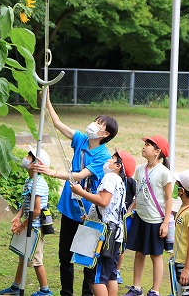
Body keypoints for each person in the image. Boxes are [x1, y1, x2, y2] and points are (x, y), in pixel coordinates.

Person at [38, 93, 118, 296]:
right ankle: (66, 292)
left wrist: (53, 172)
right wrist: (46, 100)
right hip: (69, 207)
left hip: (88, 211)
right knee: (64, 255)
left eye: (99, 124)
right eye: (95, 120)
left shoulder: (103, 156)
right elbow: (57, 123)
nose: (93, 124)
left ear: (106, 134)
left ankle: (86, 293)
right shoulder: (81, 139)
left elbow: (81, 175)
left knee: (86, 256)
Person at [70, 150, 136, 296]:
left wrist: (80, 192)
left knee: (96, 278)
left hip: (105, 236)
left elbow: (104, 201)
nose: (108, 160)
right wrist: (91, 217)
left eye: (112, 158)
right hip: (115, 235)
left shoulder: (110, 177)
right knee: (110, 275)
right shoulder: (120, 182)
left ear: (118, 166)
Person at [0, 146, 53, 296]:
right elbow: (26, 202)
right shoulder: (29, 179)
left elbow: (37, 210)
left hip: (34, 228)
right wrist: (17, 215)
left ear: (36, 164)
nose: (26, 158)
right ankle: (15, 287)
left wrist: (22, 226)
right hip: (29, 224)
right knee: (23, 256)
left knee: (36, 260)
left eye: (29, 155)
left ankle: (45, 291)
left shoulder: (38, 183)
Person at [124, 135, 174, 296]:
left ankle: (155, 290)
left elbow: (168, 199)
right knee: (139, 253)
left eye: (148, 145)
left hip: (155, 220)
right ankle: (136, 287)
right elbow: (139, 195)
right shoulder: (140, 170)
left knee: (156, 256)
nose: (144, 147)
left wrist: (165, 222)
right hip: (140, 217)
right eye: (144, 144)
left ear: (157, 151)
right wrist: (130, 210)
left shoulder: (164, 173)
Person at [115, 173, 136, 284]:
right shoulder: (111, 179)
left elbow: (136, 196)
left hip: (124, 217)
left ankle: (117, 270)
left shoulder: (130, 181)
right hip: (113, 215)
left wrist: (129, 211)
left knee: (121, 244)